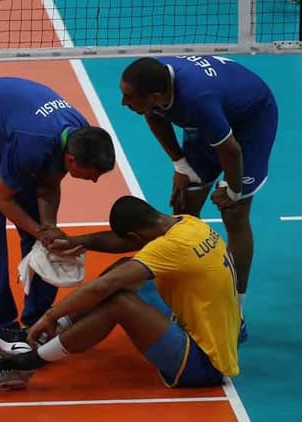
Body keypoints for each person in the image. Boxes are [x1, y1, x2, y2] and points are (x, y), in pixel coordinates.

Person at [0, 195, 240, 389]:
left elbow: (103, 287)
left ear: (135, 237)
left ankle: (24, 366)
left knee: (119, 300)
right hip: (215, 327)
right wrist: (76, 242)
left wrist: (51, 313)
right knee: (125, 267)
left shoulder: (169, 248)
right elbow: (123, 245)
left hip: (203, 364)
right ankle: (50, 332)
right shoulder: (186, 224)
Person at [0, 77, 116, 354]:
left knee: (36, 231)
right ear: (72, 161)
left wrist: (49, 229)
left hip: (7, 129)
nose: (94, 181)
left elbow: (48, 184)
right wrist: (41, 232)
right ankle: (0, 322)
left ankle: (38, 319)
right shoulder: (34, 144)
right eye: (93, 174)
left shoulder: (79, 134)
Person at [119, 55, 279, 340]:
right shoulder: (154, 83)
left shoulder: (197, 98)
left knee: (235, 214)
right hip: (212, 117)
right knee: (185, 209)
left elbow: (231, 150)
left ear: (156, 95)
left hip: (251, 121)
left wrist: (232, 190)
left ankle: (235, 311)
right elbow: (153, 117)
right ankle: (188, 292)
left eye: (129, 97)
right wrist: (181, 165)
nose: (123, 103)